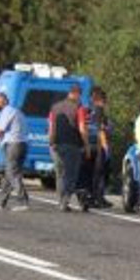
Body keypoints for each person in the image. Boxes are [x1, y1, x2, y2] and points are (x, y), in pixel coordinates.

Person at [48, 84, 88, 212]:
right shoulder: (79, 108)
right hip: (72, 145)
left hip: (56, 145)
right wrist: (86, 146)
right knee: (71, 174)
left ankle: (60, 200)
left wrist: (51, 142)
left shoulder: (55, 107)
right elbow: (82, 129)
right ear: (77, 94)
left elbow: (51, 127)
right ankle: (65, 201)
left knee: (60, 174)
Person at [78, 86, 112, 208]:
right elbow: (100, 130)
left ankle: (92, 198)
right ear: (101, 100)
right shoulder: (99, 111)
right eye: (104, 100)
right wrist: (106, 147)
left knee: (92, 173)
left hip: (89, 145)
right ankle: (97, 198)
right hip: (98, 146)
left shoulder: (89, 110)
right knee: (99, 173)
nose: (105, 102)